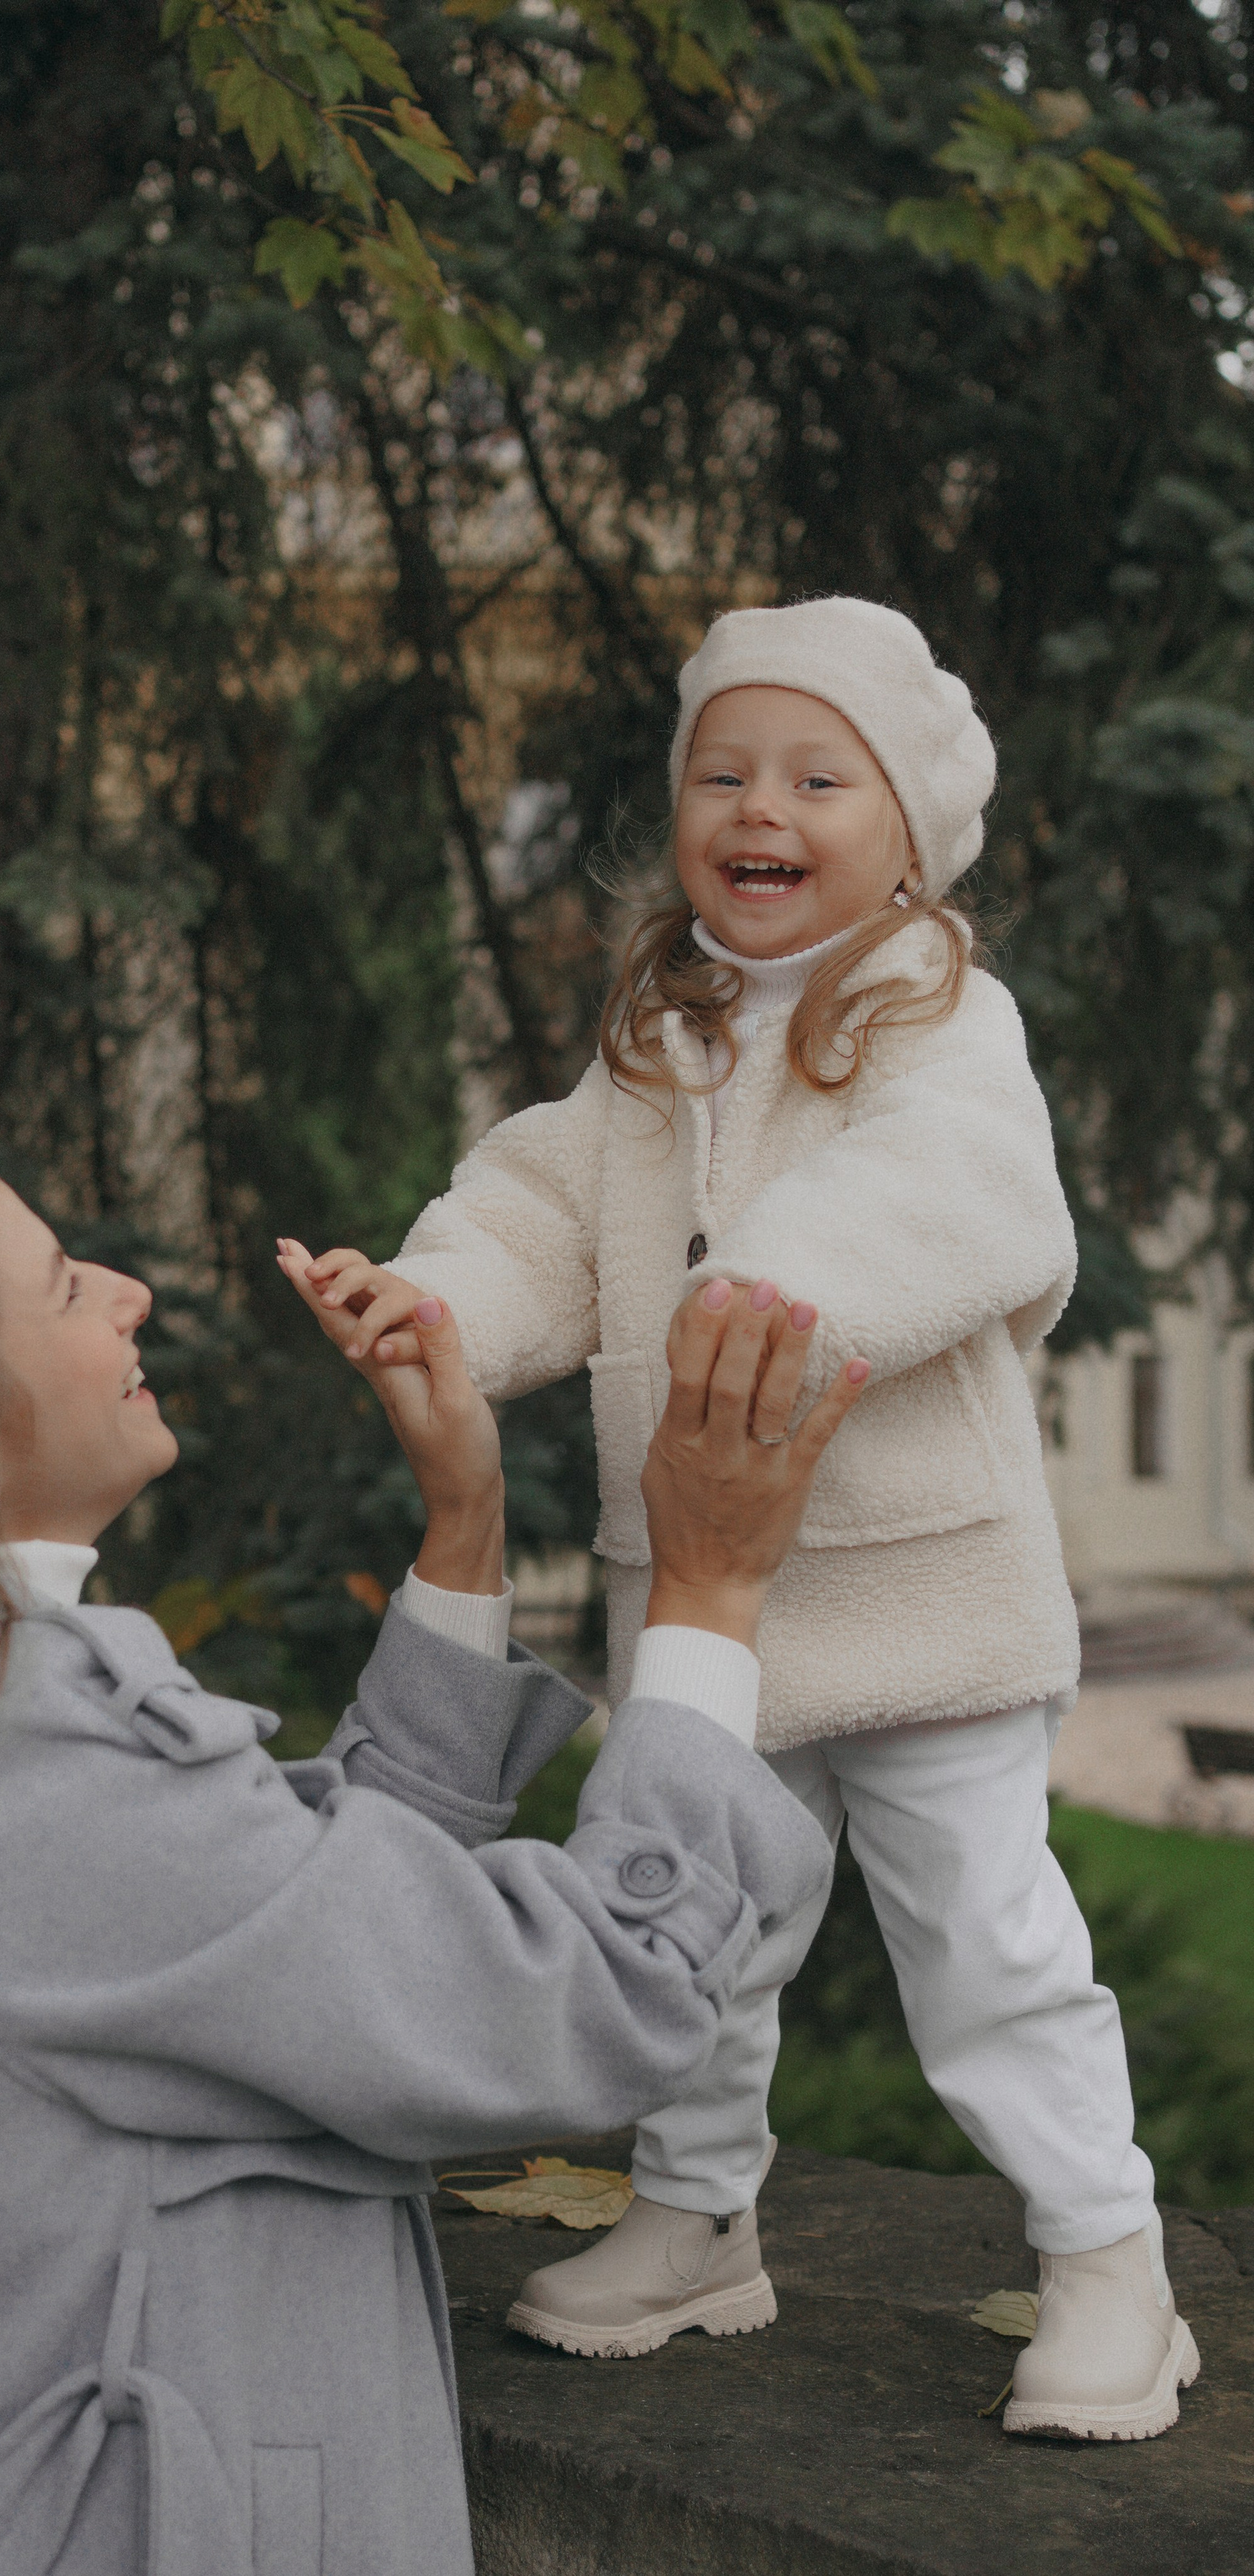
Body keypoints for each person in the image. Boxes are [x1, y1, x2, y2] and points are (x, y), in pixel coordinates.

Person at [0, 1136, 862, 2576]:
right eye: (58, 1286)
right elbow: (593, 2002)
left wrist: (463, 1534)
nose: (125, 1293)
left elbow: (299, 1962)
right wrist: (706, 1593)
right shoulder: (27, 1765)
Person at [288, 597, 1199, 2444]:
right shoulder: (661, 1038)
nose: (756, 806)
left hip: (920, 1588)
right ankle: (700, 2216)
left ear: (909, 833)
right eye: (722, 772)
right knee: (707, 1923)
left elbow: (965, 1201)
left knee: (984, 1942)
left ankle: (1112, 2260)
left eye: (813, 775)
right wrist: (447, 1305)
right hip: (715, 1605)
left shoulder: (943, 1021)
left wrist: (766, 1285)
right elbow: (545, 1202)